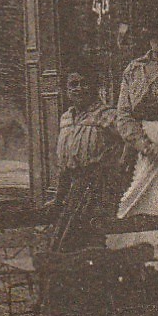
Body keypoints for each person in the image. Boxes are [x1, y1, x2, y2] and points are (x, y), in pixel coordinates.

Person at [110, 13, 158, 249]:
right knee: (135, 206)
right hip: (143, 154)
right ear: (149, 37)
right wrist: (146, 146)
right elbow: (124, 116)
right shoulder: (134, 70)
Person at [47, 68, 124, 251]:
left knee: (90, 242)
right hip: (74, 191)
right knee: (64, 242)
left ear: (95, 87)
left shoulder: (109, 116)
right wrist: (58, 199)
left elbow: (129, 144)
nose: (79, 89)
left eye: (85, 83)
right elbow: (65, 166)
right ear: (66, 89)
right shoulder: (66, 119)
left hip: (100, 190)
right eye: (73, 85)